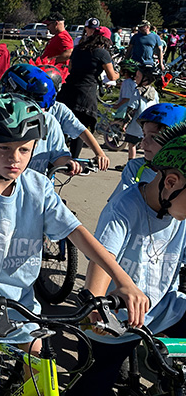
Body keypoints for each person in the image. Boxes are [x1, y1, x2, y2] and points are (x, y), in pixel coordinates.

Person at [0, 94, 148, 354]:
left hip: (19, 307)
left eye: (24, 149)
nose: (15, 158)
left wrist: (123, 280)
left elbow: (78, 233)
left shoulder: (38, 187)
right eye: (4, 148)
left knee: (38, 366)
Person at [68, 129, 186, 395]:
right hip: (116, 318)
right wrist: (95, 300)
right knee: (92, 386)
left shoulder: (179, 210)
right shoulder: (124, 207)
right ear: (170, 182)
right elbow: (103, 256)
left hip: (162, 308)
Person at [56, 23, 119, 158]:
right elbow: (111, 76)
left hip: (68, 90)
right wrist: (119, 74)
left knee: (61, 125)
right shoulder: (102, 53)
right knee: (79, 129)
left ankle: (55, 156)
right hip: (85, 93)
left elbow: (71, 69)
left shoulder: (78, 49)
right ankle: (73, 160)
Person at [108, 104, 186, 202]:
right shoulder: (135, 167)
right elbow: (118, 203)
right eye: (144, 135)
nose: (143, 142)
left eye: (154, 137)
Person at [122, 64, 160, 164]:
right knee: (148, 144)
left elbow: (131, 109)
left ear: (145, 79)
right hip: (149, 125)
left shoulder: (137, 92)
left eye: (137, 76)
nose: (135, 78)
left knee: (132, 144)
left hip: (136, 125)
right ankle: (148, 163)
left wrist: (125, 123)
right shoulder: (154, 92)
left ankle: (131, 163)